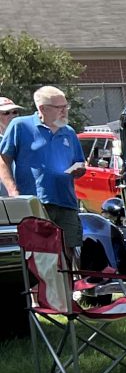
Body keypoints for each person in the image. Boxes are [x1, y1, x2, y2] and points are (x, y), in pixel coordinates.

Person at [0, 86, 87, 253]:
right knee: (39, 255)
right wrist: (13, 190)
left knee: (69, 253)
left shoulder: (68, 132)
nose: (64, 111)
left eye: (65, 106)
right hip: (34, 203)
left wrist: (79, 170)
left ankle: (70, 280)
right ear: (42, 109)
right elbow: (3, 159)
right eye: (59, 107)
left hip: (66, 202)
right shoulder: (20, 126)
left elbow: (79, 162)